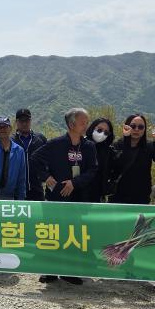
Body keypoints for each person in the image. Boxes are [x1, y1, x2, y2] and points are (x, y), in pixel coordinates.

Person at [29, 108, 98, 286]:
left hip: (78, 197)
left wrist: (75, 183)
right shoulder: (56, 144)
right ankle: (49, 270)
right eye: (83, 122)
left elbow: (93, 170)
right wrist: (47, 178)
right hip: (56, 198)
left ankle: (70, 271)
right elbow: (34, 159)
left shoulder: (89, 146)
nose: (86, 125)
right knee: (53, 233)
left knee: (73, 235)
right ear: (71, 124)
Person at [109, 114, 155, 204]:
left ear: (144, 129)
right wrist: (126, 139)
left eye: (140, 127)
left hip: (141, 197)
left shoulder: (149, 146)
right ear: (126, 127)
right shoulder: (117, 145)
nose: (136, 129)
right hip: (117, 195)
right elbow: (116, 164)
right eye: (133, 126)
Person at [12, 108, 48, 201]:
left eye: (27, 120)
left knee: (39, 216)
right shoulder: (10, 140)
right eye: (21, 121)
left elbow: (49, 160)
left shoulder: (40, 138)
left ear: (30, 121)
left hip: (37, 189)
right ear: (16, 122)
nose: (24, 123)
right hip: (15, 190)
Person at [85, 117, 114, 202]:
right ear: (92, 128)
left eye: (106, 132)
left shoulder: (108, 151)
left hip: (98, 196)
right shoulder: (80, 145)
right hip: (78, 195)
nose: (102, 134)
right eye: (99, 130)